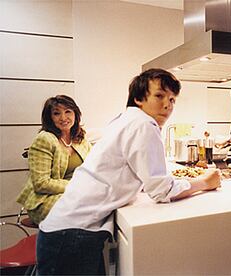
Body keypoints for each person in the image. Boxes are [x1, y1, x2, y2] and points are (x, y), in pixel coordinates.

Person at [36, 68, 221, 275]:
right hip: (72, 236)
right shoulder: (144, 124)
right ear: (139, 98)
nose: (168, 105)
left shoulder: (126, 119)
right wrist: (206, 182)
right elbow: (162, 190)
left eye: (172, 99)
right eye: (159, 96)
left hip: (67, 230)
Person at [16, 95, 91, 225]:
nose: (63, 118)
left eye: (68, 111)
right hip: (44, 199)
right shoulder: (45, 139)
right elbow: (41, 183)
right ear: (50, 118)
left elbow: (93, 169)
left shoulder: (80, 139)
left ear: (75, 114)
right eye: (57, 113)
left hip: (76, 193)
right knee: (85, 208)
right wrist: (78, 186)